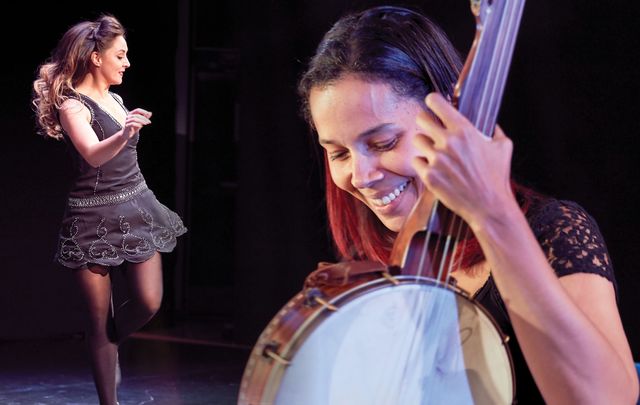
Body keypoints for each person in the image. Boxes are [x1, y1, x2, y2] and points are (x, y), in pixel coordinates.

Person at [297, 5, 638, 404]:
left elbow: (606, 400)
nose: (361, 175)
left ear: (448, 123)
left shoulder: (555, 231)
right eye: (338, 153)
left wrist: (493, 213)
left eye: (383, 143)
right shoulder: (372, 264)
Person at [31, 14, 186, 405]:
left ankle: (108, 343)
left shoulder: (115, 100)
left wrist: (125, 128)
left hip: (136, 207)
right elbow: (93, 155)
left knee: (148, 302)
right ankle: (108, 399)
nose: (127, 63)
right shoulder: (73, 107)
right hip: (90, 219)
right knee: (97, 321)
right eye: (120, 55)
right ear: (96, 57)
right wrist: (126, 132)